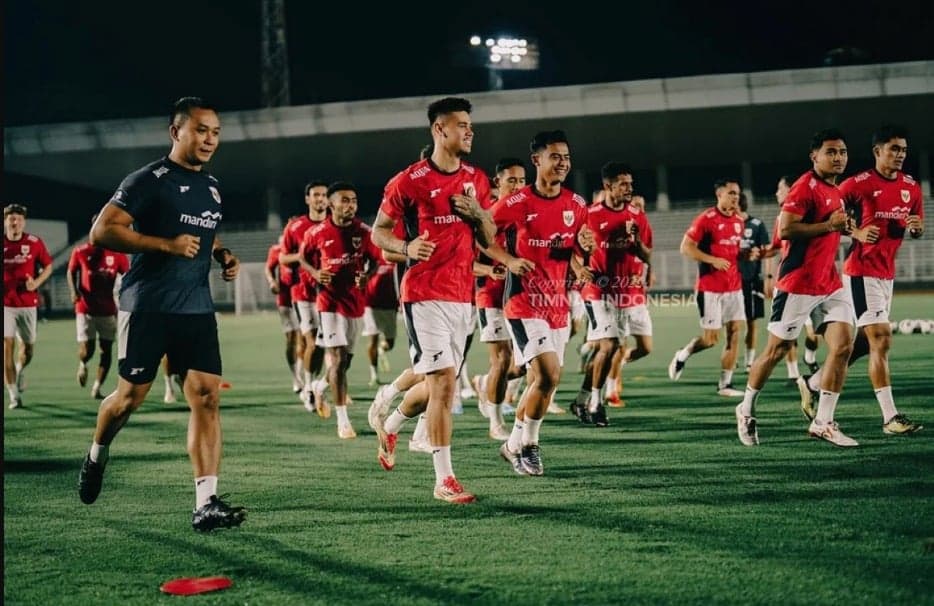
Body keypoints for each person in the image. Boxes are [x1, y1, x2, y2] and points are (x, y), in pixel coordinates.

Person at [77, 96, 246, 531]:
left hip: (196, 308)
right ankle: (97, 454)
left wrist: (221, 253)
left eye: (215, 132)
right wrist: (166, 246)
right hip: (148, 307)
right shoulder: (147, 180)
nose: (209, 139)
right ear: (176, 132)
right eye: (201, 130)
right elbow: (102, 230)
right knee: (128, 399)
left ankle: (206, 502)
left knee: (206, 395)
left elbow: (203, 231)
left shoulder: (211, 185)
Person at [369, 96, 500, 504]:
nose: (470, 131)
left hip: (463, 296)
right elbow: (379, 232)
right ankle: (445, 479)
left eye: (470, 125)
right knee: (443, 382)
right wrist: (407, 248)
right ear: (440, 130)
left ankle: (391, 424)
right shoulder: (409, 180)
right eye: (462, 125)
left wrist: (479, 214)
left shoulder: (477, 180)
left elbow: (489, 239)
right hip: (423, 293)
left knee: (437, 384)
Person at [736, 128, 857, 447]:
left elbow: (831, 230)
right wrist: (829, 225)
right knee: (776, 351)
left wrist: (847, 229)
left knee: (843, 346)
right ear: (814, 156)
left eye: (843, 152)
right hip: (798, 284)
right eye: (831, 152)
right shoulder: (805, 187)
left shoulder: (836, 190)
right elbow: (787, 229)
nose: (838, 157)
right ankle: (746, 409)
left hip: (829, 282)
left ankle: (823, 422)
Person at [799, 124, 923, 434]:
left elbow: (915, 226)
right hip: (860, 271)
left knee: (866, 344)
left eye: (903, 150)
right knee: (881, 338)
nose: (900, 155)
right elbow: (828, 215)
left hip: (886, 274)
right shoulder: (858, 184)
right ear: (877, 151)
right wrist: (855, 232)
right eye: (893, 149)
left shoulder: (912, 186)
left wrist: (916, 229)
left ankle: (813, 382)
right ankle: (890, 417)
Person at [494, 129, 591, 476]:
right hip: (523, 302)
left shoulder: (577, 205)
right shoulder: (516, 203)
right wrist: (508, 260)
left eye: (566, 157)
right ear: (537, 160)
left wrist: (581, 260)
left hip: (557, 305)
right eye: (555, 157)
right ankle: (530, 447)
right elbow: (481, 236)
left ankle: (512, 445)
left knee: (543, 381)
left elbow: (570, 250)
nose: (563, 163)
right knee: (548, 375)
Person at [299, 181, 382, 439]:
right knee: (335, 358)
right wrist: (316, 273)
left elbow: (376, 261)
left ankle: (320, 386)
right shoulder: (317, 232)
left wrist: (367, 275)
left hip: (355, 303)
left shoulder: (364, 232)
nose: (350, 205)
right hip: (329, 302)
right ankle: (343, 421)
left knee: (345, 362)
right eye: (344, 200)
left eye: (354, 200)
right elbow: (303, 258)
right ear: (331, 204)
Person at [571, 162, 651, 426]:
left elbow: (647, 254)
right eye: (623, 184)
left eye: (631, 183)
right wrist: (580, 267)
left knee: (606, 349)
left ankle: (581, 400)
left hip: (624, 292)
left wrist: (636, 241)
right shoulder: (589, 214)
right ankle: (596, 404)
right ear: (608, 185)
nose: (629, 188)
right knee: (610, 345)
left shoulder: (637, 216)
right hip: (597, 290)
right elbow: (572, 250)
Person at [668, 179, 754, 397]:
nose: (736, 197)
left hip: (734, 287)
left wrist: (745, 255)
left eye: (737, 193)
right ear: (719, 195)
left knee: (734, 333)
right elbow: (685, 248)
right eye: (731, 193)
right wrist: (712, 260)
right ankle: (683, 353)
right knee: (710, 340)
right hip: (710, 289)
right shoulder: (706, 219)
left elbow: (733, 252)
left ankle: (725, 384)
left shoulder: (739, 221)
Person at [472, 157, 528, 441]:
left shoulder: (528, 215)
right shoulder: (487, 218)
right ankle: (495, 422)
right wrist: (489, 270)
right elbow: (466, 261)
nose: (518, 186)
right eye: (511, 180)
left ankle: (485, 383)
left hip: (521, 298)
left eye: (522, 181)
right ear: (498, 182)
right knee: (502, 359)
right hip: (491, 297)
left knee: (525, 365)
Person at [765, 176, 821, 384]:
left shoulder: (811, 212)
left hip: (814, 282)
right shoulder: (781, 217)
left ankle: (810, 357)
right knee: (785, 337)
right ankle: (793, 373)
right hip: (791, 283)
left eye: (780, 188)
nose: (776, 193)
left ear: (792, 190)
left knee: (814, 335)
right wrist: (761, 257)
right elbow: (775, 247)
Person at [66, 215, 130, 399]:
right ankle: (83, 364)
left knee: (106, 350)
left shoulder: (117, 254)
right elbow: (71, 271)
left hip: (108, 310)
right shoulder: (81, 251)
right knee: (88, 349)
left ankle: (97, 387)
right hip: (85, 309)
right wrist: (74, 291)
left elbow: (128, 277)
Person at [280, 181, 329, 413]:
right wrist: (301, 257)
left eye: (324, 195)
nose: (320, 199)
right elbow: (283, 258)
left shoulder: (335, 224)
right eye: (316, 195)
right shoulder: (296, 226)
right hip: (303, 292)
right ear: (308, 199)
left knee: (326, 345)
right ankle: (308, 388)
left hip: (330, 294)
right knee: (312, 340)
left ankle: (316, 383)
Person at [604, 193, 655, 406]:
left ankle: (618, 363)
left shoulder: (643, 228)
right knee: (619, 345)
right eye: (635, 205)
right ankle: (611, 390)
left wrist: (650, 269)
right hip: (618, 296)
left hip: (638, 297)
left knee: (646, 348)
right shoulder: (615, 230)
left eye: (641, 206)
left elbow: (647, 254)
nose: (638, 210)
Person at [3, 203, 53, 409]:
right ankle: (14, 395)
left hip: (27, 304)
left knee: (28, 349)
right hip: (5, 305)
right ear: (5, 222)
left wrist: (37, 283)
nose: (15, 222)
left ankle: (20, 369)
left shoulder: (34, 242)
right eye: (11, 219)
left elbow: (48, 266)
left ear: (24, 222)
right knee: (6, 347)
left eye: (18, 219)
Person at [264, 232, 305, 394]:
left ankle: (301, 375)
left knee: (305, 338)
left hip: (303, 297)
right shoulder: (277, 250)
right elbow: (268, 268)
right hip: (285, 299)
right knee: (291, 339)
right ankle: (296, 377)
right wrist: (272, 281)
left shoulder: (303, 248)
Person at [736, 194, 771, 372]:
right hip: (732, 280)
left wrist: (769, 277)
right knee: (732, 322)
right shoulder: (728, 225)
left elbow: (767, 251)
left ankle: (749, 361)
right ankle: (733, 355)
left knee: (751, 321)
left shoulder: (757, 224)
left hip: (753, 279)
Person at [361, 248, 398, 387]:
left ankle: (382, 349)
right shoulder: (371, 250)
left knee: (390, 343)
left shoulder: (397, 251)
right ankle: (374, 375)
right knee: (373, 339)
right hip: (371, 302)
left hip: (390, 303)